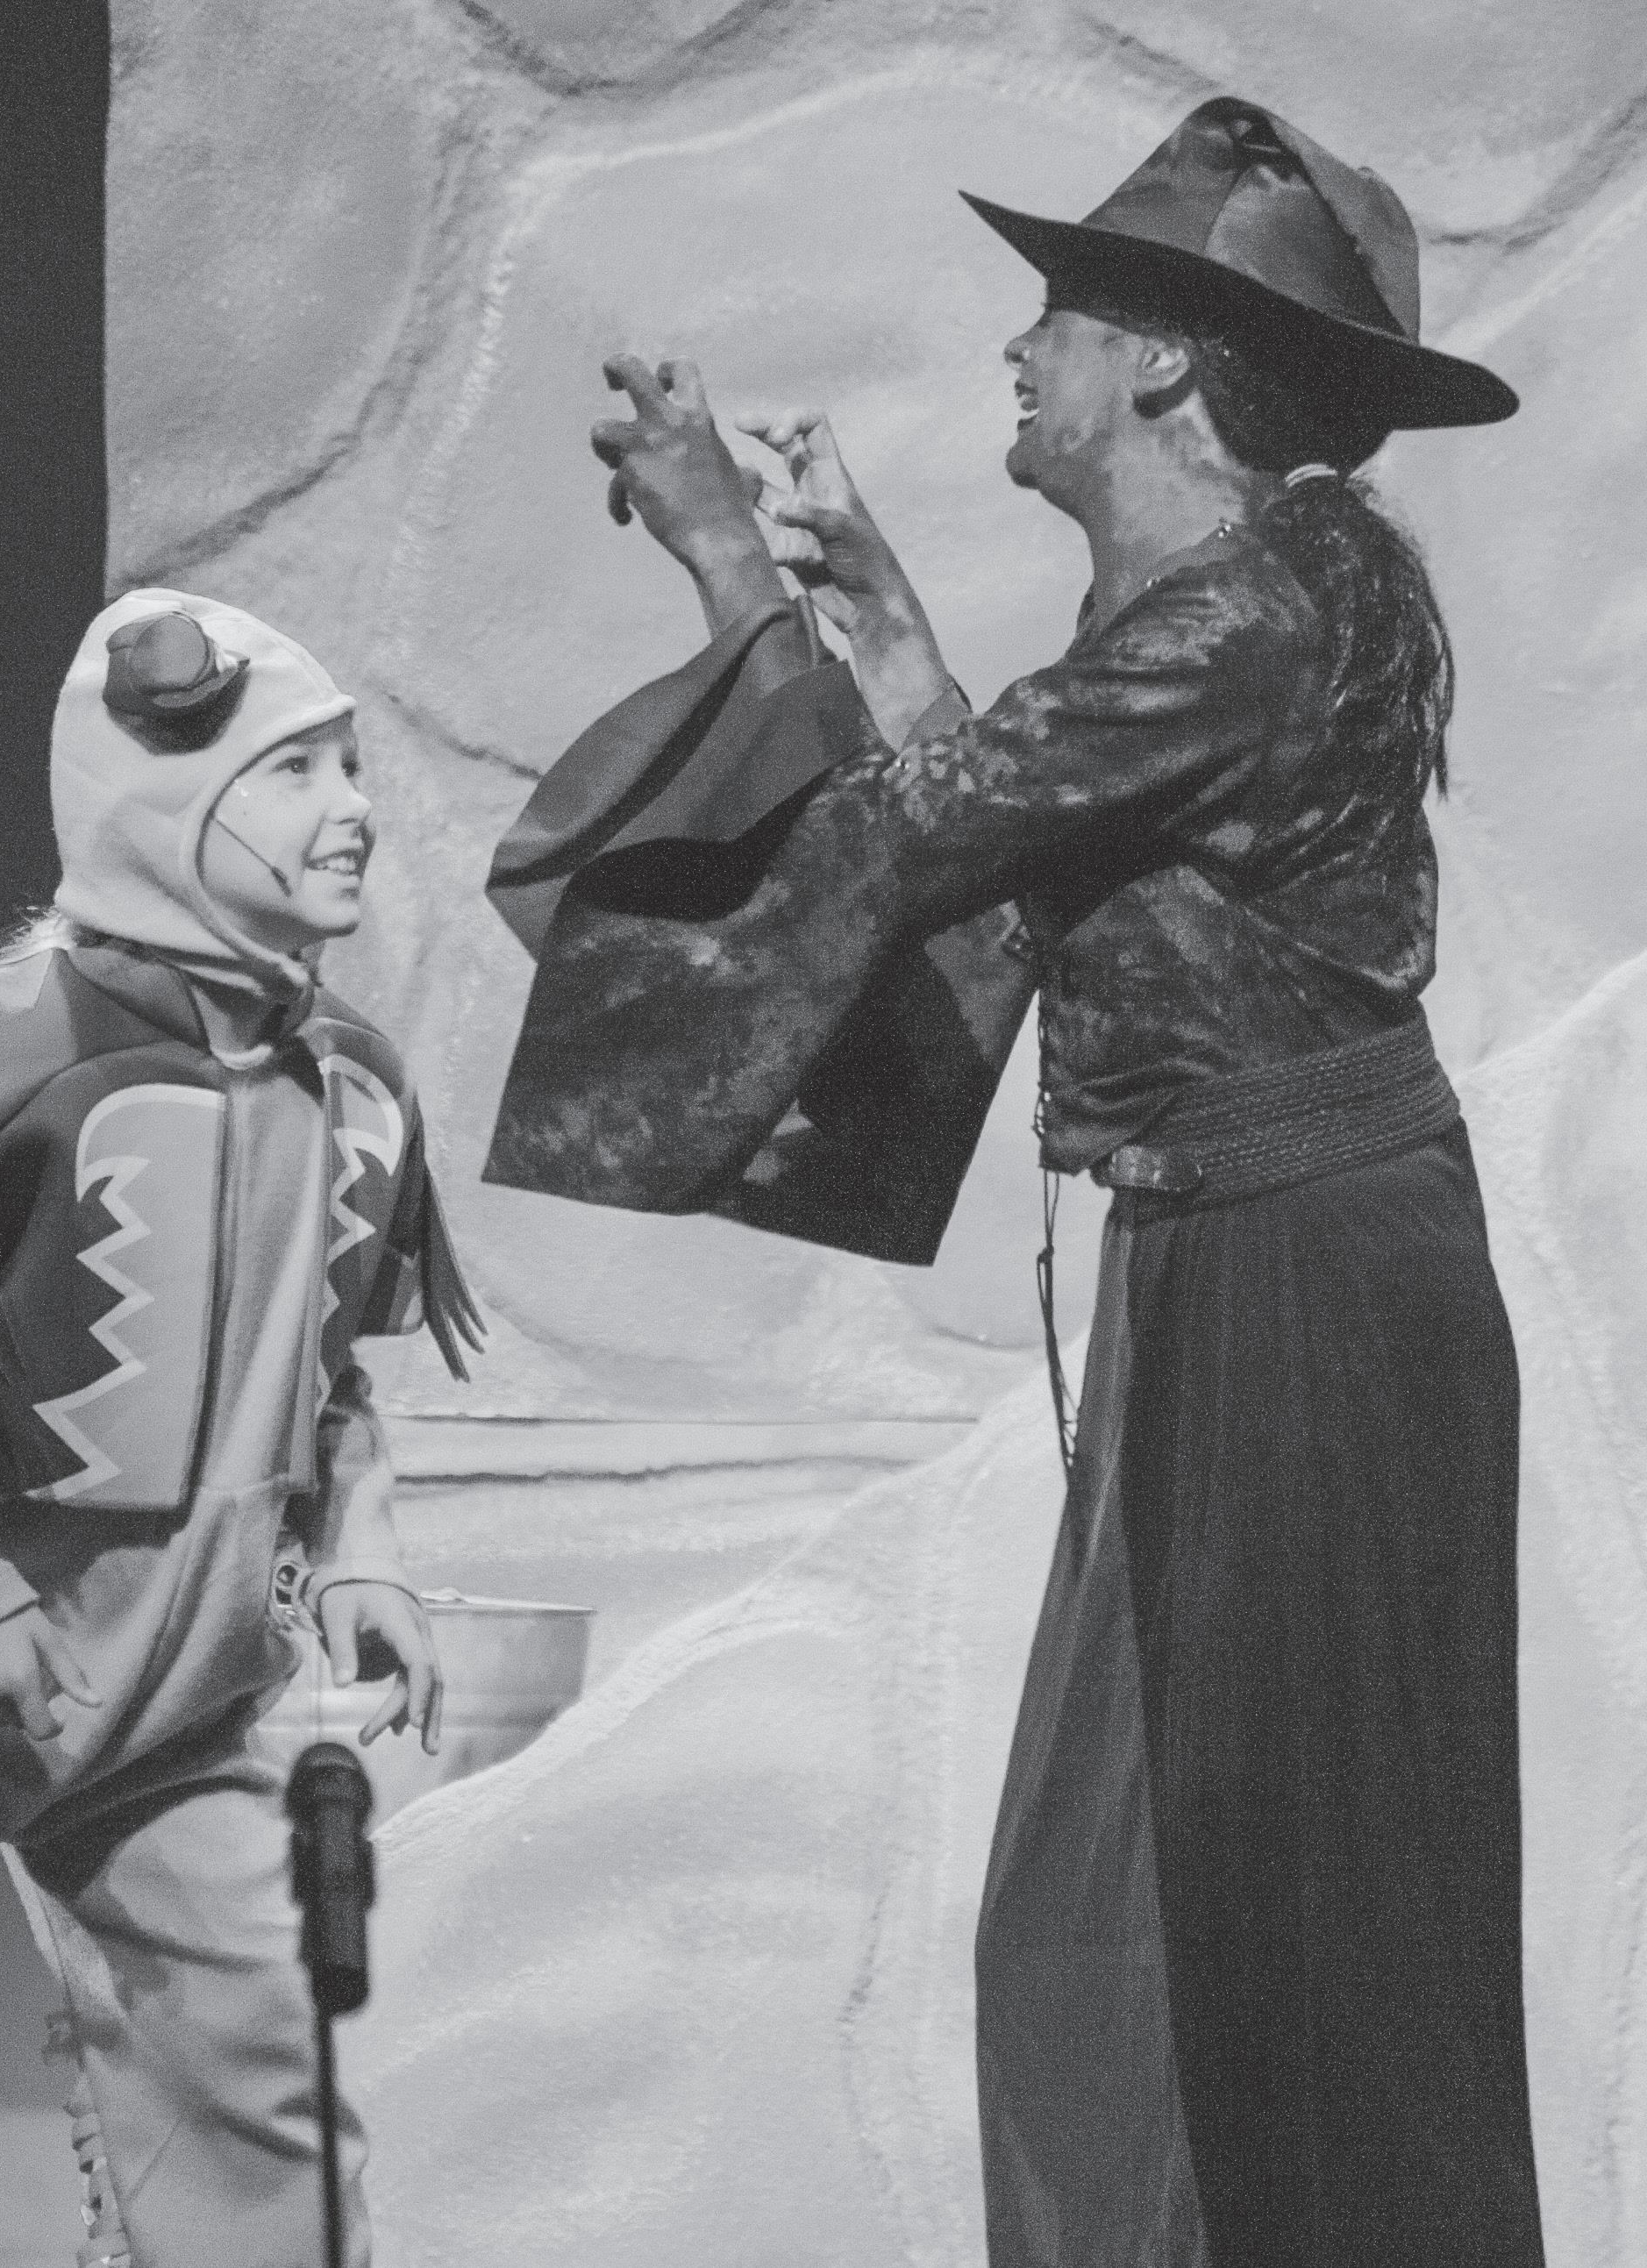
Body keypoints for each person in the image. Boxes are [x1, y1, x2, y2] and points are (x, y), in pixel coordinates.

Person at [483, 97, 1545, 2268]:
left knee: (1293, 1945)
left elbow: (911, 840)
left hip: (1299, 1289)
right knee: (1120, 1929)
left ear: (1160, 364)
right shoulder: (1237, 612)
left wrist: (732, 566)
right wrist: (870, 619)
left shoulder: (1252, 617)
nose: (1018, 349)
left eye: (1057, 315)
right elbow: (1018, 833)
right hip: (1238, 1263)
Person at [0, 590, 482, 2268]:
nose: (351, 807)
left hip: (170, 1703)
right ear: (160, 795)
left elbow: (325, 1374)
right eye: (295, 772)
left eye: (352, 765)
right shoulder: (10, 1046)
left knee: (261, 2104)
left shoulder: (351, 1083)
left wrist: (361, 1553)